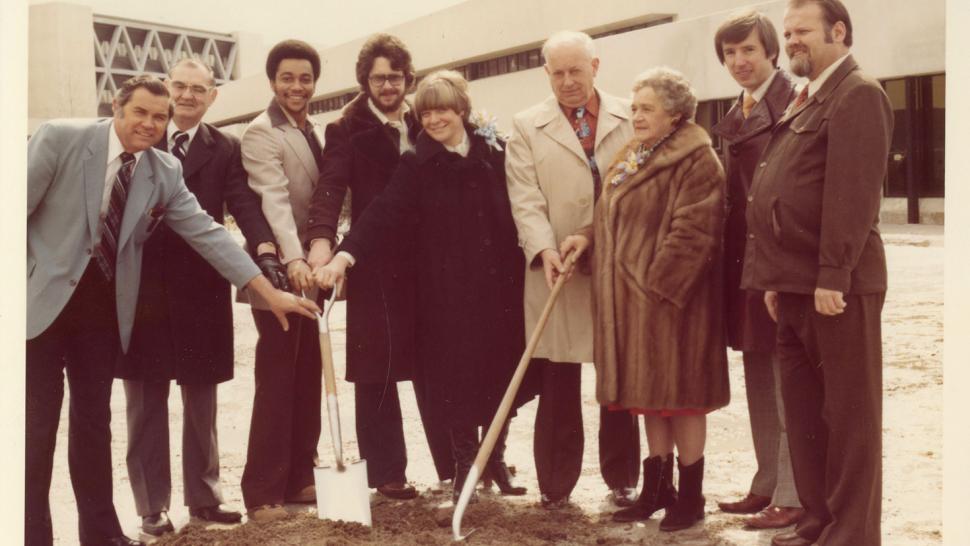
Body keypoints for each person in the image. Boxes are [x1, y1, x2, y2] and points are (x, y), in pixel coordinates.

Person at [26, 74, 319, 546]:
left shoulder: (162, 171)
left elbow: (210, 234)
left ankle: (101, 534)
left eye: (158, 117)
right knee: (36, 426)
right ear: (117, 108)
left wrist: (267, 291)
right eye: (140, 112)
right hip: (41, 305)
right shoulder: (61, 138)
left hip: (102, 310)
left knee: (93, 423)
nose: (149, 124)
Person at [314, 70, 533, 503]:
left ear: (462, 111)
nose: (433, 120)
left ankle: (495, 459)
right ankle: (464, 464)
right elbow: (381, 211)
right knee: (454, 378)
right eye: (426, 113)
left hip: (498, 287)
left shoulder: (495, 150)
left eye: (443, 111)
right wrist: (343, 255)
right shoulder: (417, 162)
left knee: (500, 371)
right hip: (447, 290)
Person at [741, 1, 892, 544]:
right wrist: (775, 280)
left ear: (839, 31)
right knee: (806, 417)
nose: (792, 40)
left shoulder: (856, 93)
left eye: (802, 30)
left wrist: (833, 275)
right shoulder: (807, 99)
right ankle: (817, 521)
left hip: (836, 289)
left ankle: (850, 533)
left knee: (849, 419)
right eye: (787, 32)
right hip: (794, 285)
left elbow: (853, 196)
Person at [115, 59, 285, 537]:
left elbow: (244, 204)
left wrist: (265, 251)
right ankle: (152, 506)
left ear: (213, 97)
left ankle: (205, 498)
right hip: (143, 288)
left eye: (198, 89)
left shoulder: (224, 148)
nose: (187, 96)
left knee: (200, 398)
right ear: (167, 91)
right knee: (145, 399)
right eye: (180, 87)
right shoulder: (140, 137)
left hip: (201, 287)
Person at [560, 66, 729, 532]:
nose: (635, 115)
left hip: (675, 306)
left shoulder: (698, 161)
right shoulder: (633, 153)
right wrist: (587, 237)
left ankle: (691, 498)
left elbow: (694, 232)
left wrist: (657, 288)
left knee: (683, 401)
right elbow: (616, 216)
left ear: (675, 114)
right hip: (635, 306)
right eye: (633, 107)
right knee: (651, 399)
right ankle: (657, 490)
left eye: (646, 108)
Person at [303, 33, 456, 498]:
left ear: (408, 79)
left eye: (394, 77)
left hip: (432, 261)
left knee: (440, 362)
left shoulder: (425, 116)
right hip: (375, 260)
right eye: (377, 78)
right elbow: (330, 186)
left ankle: (458, 464)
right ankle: (387, 473)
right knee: (378, 368)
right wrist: (321, 243)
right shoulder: (346, 128)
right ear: (365, 82)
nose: (387, 86)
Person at [505, 30, 641, 510]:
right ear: (547, 73)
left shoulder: (631, 115)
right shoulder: (525, 125)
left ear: (595, 67)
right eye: (557, 72)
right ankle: (556, 484)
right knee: (558, 377)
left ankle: (623, 476)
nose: (567, 82)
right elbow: (525, 198)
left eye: (575, 71)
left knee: (617, 374)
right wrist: (543, 250)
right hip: (555, 268)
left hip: (618, 265)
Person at [709, 11, 805, 530]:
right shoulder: (737, 110)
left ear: (772, 51)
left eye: (748, 50)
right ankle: (767, 482)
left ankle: (792, 493)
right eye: (730, 54)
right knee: (758, 378)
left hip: (780, 264)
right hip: (745, 267)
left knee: (786, 380)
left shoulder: (794, 101)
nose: (739, 61)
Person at [238, 39, 326, 522]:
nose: (297, 86)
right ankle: (263, 490)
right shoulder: (261, 132)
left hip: (309, 273)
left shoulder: (308, 128)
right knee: (276, 378)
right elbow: (272, 200)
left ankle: (298, 476)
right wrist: (294, 259)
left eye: (305, 78)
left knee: (305, 373)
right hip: (277, 274)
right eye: (288, 78)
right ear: (272, 81)